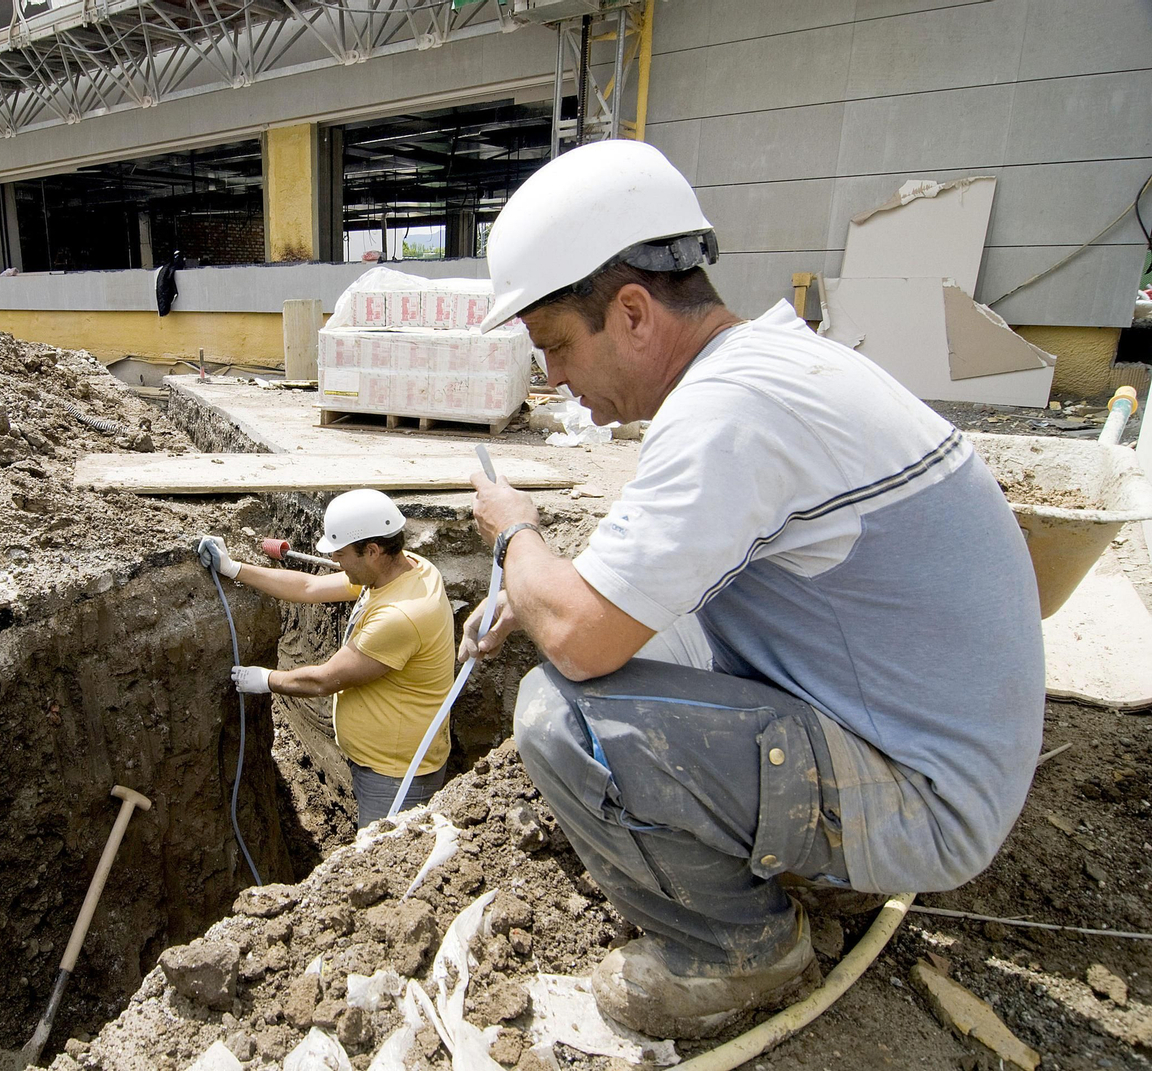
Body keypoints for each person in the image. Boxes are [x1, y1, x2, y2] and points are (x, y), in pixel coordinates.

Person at [458, 140, 1044, 1040]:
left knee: (562, 714)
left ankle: (736, 948)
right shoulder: (765, 369)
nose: (555, 379)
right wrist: (531, 588)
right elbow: (635, 579)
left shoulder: (727, 414)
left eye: (557, 346)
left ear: (632, 312)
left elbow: (580, 636)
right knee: (640, 635)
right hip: (923, 730)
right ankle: (771, 844)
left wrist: (516, 537)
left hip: (929, 800)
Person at [197, 489, 456, 827]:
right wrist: (234, 569)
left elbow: (323, 680)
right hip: (381, 764)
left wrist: (265, 680)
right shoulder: (404, 570)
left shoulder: (401, 615)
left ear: (373, 551)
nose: (335, 559)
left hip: (397, 777)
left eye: (341, 553)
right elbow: (308, 589)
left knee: (383, 867)